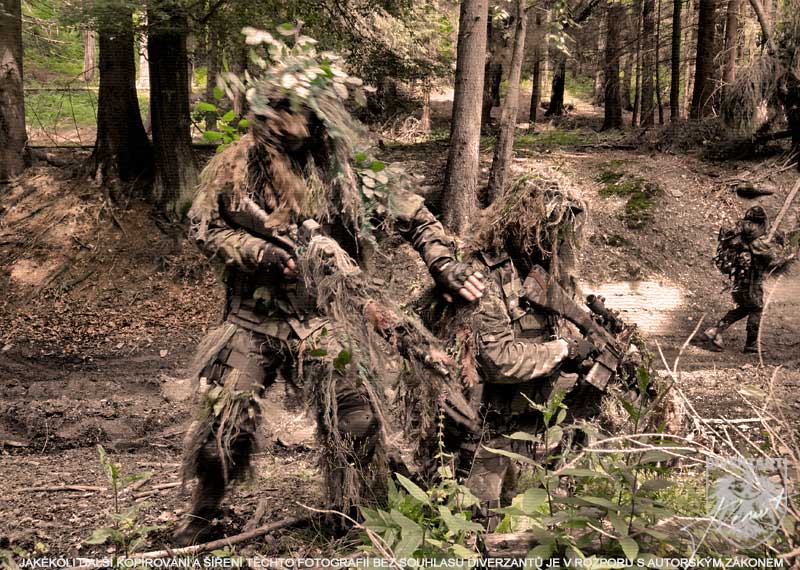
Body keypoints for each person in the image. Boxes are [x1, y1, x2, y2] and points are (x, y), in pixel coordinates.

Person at [174, 29, 485, 546]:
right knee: (221, 433)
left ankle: (356, 513)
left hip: (324, 319)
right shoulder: (235, 166)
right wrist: (260, 254)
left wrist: (443, 265)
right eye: (276, 116)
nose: (285, 130)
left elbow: (416, 216)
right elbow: (205, 228)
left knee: (357, 423)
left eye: (297, 117)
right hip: (253, 318)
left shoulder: (346, 170)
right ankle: (203, 517)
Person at [408, 173, 599, 527]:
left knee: (526, 523)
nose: (554, 241)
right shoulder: (484, 275)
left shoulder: (546, 274)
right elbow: (497, 359)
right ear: (523, 224)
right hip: (483, 433)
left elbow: (555, 330)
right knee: (475, 528)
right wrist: (562, 349)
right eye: (547, 230)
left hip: (526, 427)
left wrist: (579, 352)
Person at [704, 206, 787, 353]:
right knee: (756, 309)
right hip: (752, 281)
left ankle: (716, 330)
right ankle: (751, 344)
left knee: (745, 308)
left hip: (739, 279)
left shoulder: (740, 232)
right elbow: (773, 260)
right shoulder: (758, 240)